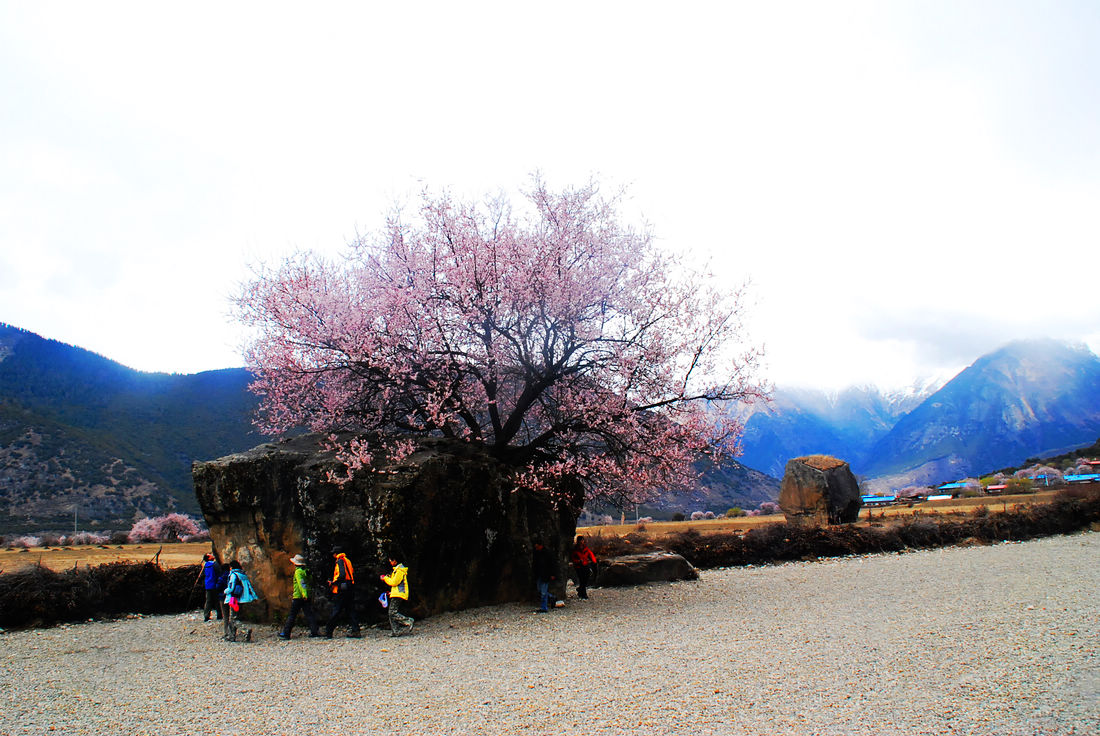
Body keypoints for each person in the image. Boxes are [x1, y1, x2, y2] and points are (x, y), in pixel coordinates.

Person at [278, 554, 320, 640]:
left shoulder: (298, 572)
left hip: (299, 596)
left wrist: (304, 594)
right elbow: (309, 582)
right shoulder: (306, 571)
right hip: (306, 596)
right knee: (309, 614)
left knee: (292, 615)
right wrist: (307, 595)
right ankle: (314, 631)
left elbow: (301, 584)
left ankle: (286, 633)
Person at [324, 546, 360, 639]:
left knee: (336, 609)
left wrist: (333, 583)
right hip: (350, 587)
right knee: (350, 609)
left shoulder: (339, 561)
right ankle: (356, 631)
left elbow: (342, 575)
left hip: (342, 588)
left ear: (336, 554)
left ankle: (328, 631)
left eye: (333, 553)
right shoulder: (347, 560)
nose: (333, 555)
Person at [223, 561, 258, 643]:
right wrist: (254, 597)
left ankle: (245, 630)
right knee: (234, 618)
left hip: (234, 599)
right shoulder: (243, 575)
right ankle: (232, 637)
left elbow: (231, 587)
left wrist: (225, 591)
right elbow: (250, 587)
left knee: (233, 618)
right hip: (243, 599)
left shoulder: (233, 575)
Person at [380, 553, 414, 636]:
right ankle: (396, 631)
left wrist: (385, 578)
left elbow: (394, 582)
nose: (390, 563)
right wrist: (391, 592)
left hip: (400, 594)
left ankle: (408, 621)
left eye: (391, 561)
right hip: (397, 593)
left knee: (392, 612)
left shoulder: (400, 570)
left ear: (395, 560)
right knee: (391, 612)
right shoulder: (397, 570)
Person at [570, 535, 598, 600]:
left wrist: (594, 561)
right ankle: (583, 594)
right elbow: (573, 558)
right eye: (580, 540)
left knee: (585, 578)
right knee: (582, 579)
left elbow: (590, 554)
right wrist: (578, 561)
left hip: (585, 565)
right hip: (578, 566)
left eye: (582, 540)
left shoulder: (585, 548)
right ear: (578, 541)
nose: (581, 542)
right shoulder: (575, 549)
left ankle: (580, 590)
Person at [532, 540, 556, 613]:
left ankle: (544, 608)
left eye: (537, 546)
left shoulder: (547, 553)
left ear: (540, 545)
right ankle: (551, 597)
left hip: (545, 574)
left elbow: (552, 564)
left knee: (543, 592)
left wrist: (552, 574)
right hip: (539, 574)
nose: (536, 548)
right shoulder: (536, 553)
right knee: (540, 590)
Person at [198, 553, 223, 621]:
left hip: (208, 585)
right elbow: (220, 573)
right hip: (215, 585)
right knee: (217, 600)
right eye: (210, 555)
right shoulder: (215, 564)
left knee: (208, 601)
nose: (212, 555)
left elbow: (203, 575)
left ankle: (206, 615)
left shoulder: (205, 565)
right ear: (208, 558)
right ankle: (219, 615)